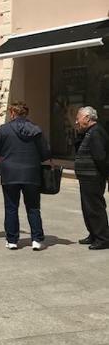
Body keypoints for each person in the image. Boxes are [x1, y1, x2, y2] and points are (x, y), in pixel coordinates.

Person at [0, 101, 51, 250]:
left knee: (11, 207)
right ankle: (37, 240)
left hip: (10, 173)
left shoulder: (3, 130)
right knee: (33, 208)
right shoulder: (36, 130)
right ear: (26, 113)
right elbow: (46, 153)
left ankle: (12, 240)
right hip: (32, 174)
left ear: (12, 113)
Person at [74, 106, 109, 250]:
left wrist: (106, 175)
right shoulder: (89, 132)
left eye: (78, 118)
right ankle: (94, 234)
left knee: (94, 208)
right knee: (87, 208)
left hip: (93, 177)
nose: (76, 122)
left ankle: (103, 238)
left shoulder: (96, 133)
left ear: (87, 118)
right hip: (86, 177)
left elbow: (100, 157)